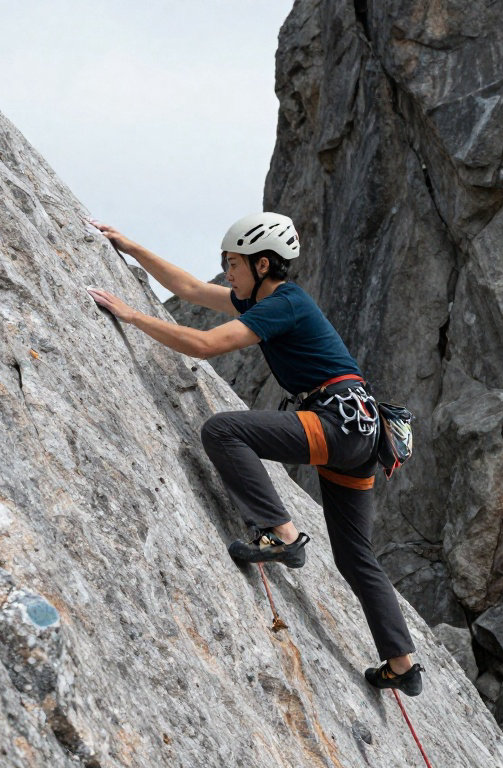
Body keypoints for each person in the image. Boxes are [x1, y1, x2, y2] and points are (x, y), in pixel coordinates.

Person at [86, 212, 423, 696]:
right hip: (361, 433)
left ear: (263, 264)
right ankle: (401, 663)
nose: (227, 272)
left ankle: (281, 534)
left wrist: (133, 316)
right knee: (355, 555)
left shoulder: (284, 304)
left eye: (234, 263)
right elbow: (189, 290)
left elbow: (204, 346)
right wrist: (130, 246)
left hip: (336, 420)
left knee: (224, 431)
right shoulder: (264, 299)